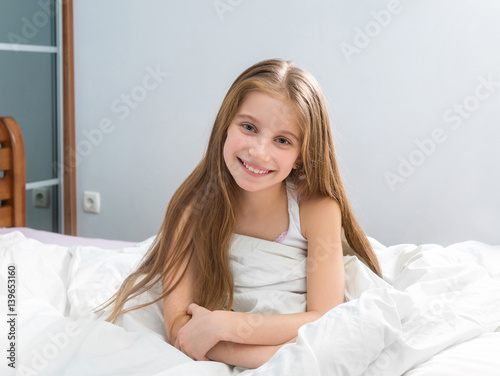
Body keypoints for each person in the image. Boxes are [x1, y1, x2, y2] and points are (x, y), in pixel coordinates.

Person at [101, 58, 381, 369]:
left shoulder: (317, 209)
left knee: (350, 335)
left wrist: (224, 328)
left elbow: (323, 319)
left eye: (282, 140)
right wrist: (223, 336)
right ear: (225, 126)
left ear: (301, 156)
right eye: (248, 127)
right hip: (274, 339)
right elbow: (179, 327)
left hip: (290, 329)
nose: (259, 152)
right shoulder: (193, 210)